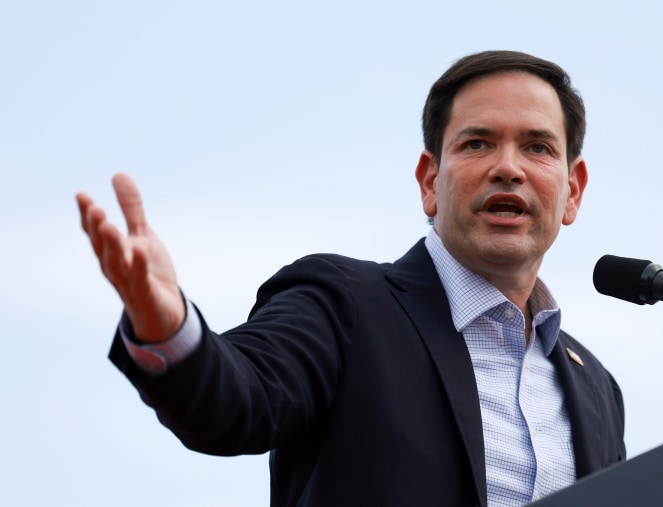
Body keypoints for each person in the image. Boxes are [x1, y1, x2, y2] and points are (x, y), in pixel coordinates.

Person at [77, 50, 625, 507]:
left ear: (572, 191)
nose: (509, 166)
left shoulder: (596, 390)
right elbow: (234, 402)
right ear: (431, 181)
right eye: (477, 143)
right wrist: (166, 323)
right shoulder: (345, 306)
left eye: (537, 147)